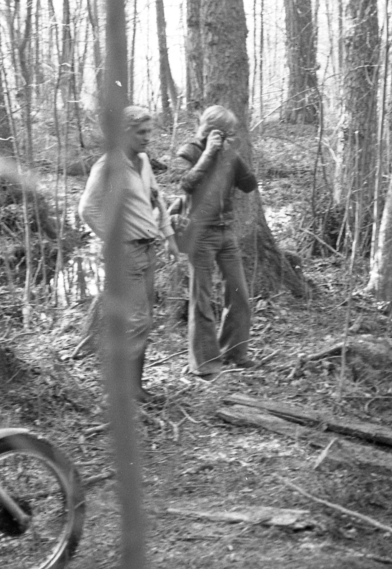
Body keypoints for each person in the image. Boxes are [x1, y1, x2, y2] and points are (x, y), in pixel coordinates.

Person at [78, 105, 180, 400]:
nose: (147, 138)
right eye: (141, 132)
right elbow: (87, 208)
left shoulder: (144, 161)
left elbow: (156, 199)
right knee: (138, 320)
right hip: (126, 253)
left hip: (148, 249)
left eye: (149, 131)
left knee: (141, 319)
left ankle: (134, 387)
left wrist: (170, 237)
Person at [170, 105, 258, 378]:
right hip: (201, 233)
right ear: (211, 130)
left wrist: (233, 154)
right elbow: (186, 184)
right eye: (227, 131)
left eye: (233, 132)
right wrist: (208, 153)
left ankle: (234, 351)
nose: (232, 135)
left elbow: (249, 184)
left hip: (226, 231)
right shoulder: (191, 150)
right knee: (202, 298)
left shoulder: (228, 154)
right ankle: (204, 363)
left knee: (239, 295)